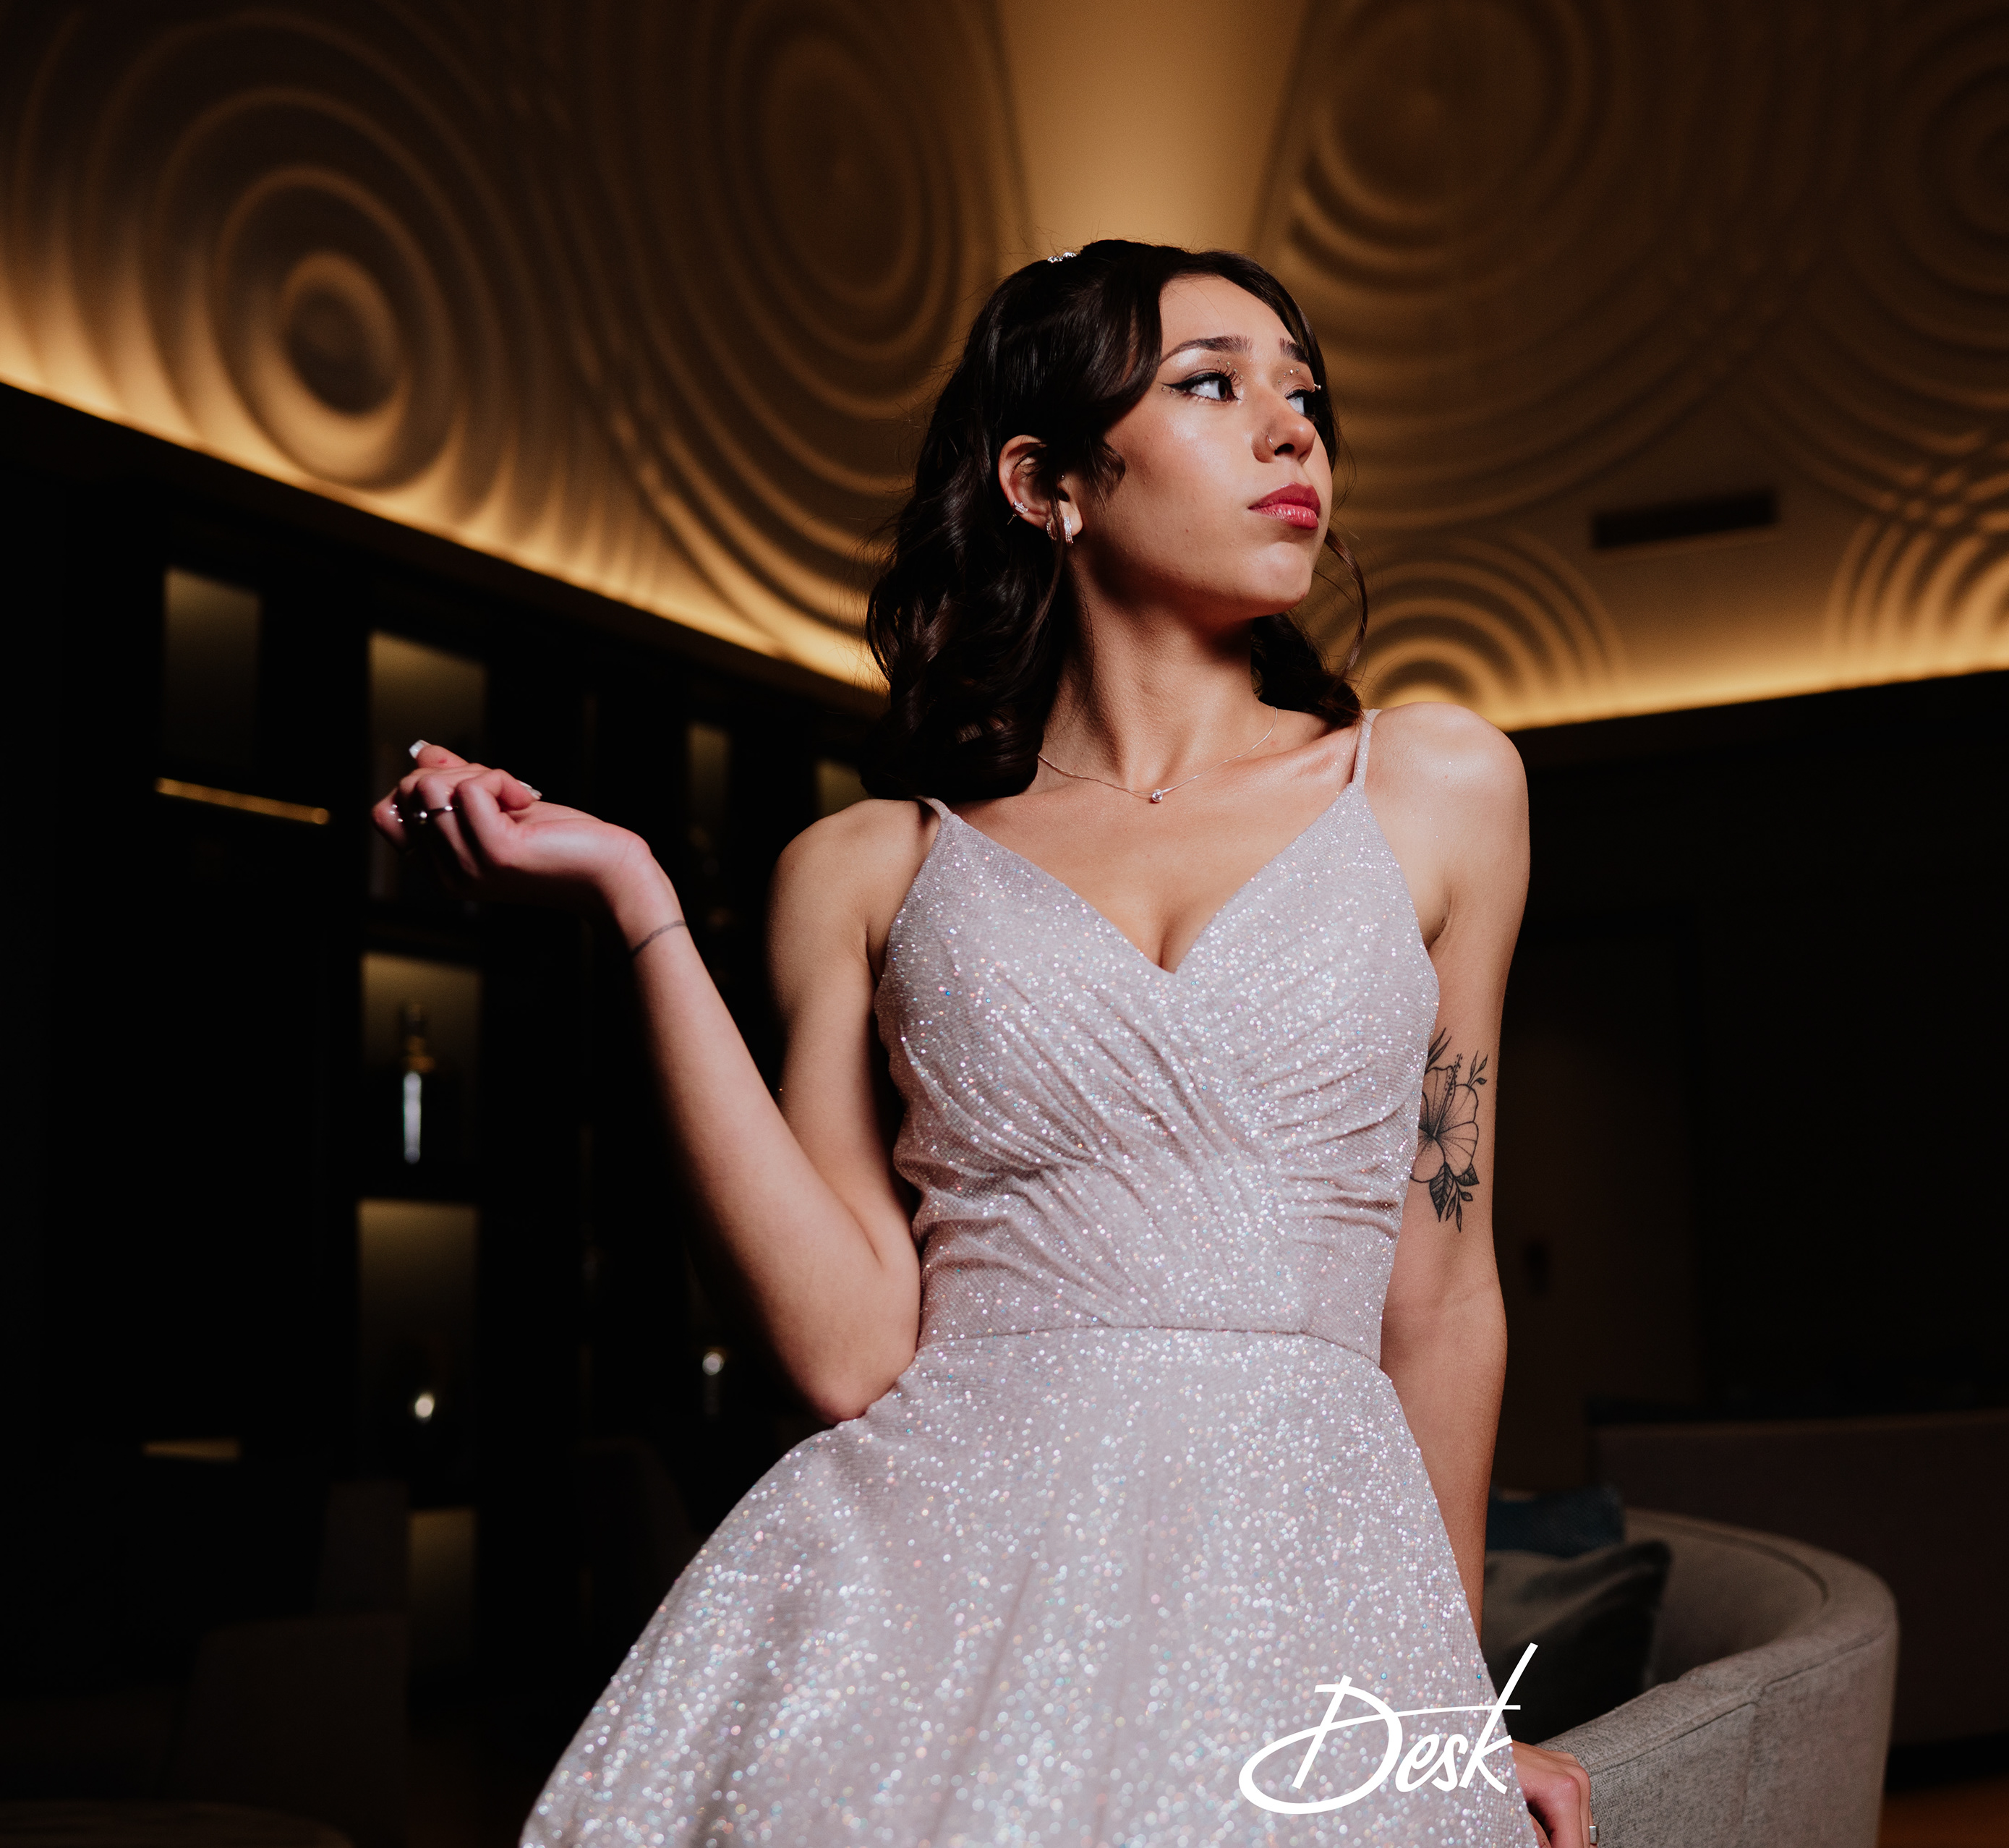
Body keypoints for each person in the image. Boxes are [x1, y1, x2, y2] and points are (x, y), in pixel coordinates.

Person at [375, 242, 1593, 1846]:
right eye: (1212, 384)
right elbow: (847, 1350)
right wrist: (639, 904)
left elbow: (1439, 1297)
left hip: (1301, 1592)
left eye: (1305, 393)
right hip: (919, 1600)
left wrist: (1449, 1718)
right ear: (1045, 482)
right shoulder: (868, 871)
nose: (1292, 428)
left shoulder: (1436, 787)